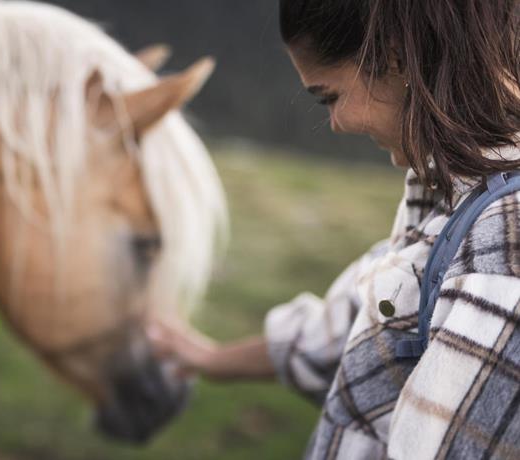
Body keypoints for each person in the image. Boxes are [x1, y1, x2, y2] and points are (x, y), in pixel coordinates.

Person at [148, 0, 520, 458]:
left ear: (394, 56)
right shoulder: (453, 197)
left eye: (330, 96)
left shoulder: (502, 253)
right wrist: (210, 359)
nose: (336, 124)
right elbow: (360, 323)